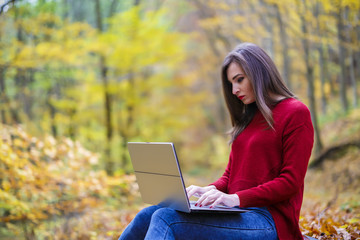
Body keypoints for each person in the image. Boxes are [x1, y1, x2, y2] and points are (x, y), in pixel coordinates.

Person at [118, 42, 314, 240]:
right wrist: (207, 190)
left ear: (259, 73)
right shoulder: (248, 119)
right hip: (238, 213)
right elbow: (230, 177)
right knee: (147, 214)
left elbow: (290, 182)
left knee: (166, 218)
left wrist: (235, 198)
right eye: (231, 84)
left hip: (268, 221)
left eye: (239, 80)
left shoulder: (295, 113)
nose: (235, 90)